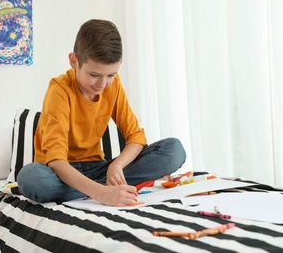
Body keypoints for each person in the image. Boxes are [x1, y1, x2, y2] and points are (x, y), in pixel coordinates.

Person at [17, 19, 186, 207]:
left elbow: (136, 138)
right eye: (94, 75)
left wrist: (117, 165)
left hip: (98, 168)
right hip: (60, 173)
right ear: (74, 61)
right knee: (30, 178)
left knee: (174, 150)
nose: (102, 84)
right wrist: (101, 194)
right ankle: (102, 189)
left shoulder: (113, 86)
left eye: (111, 75)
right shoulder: (59, 90)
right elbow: (56, 161)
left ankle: (96, 188)